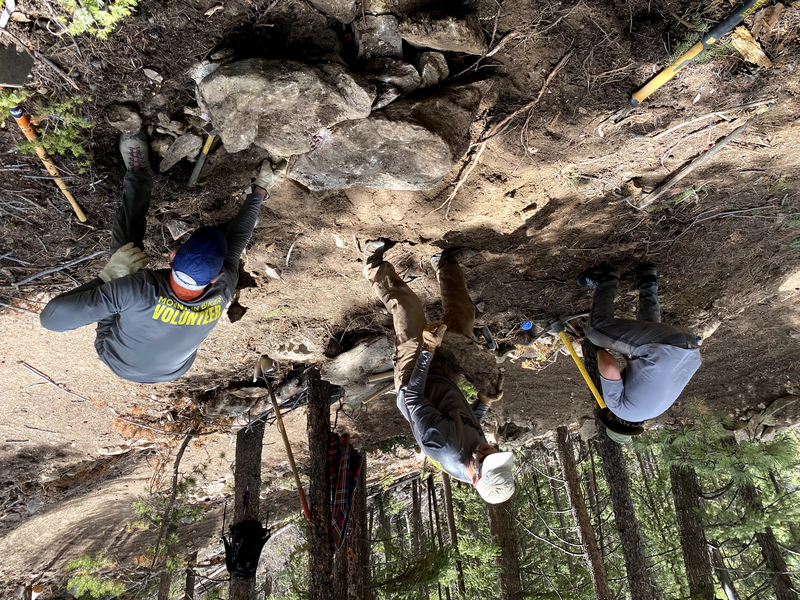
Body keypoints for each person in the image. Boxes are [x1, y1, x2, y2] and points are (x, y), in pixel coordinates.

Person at [40, 129, 283, 383]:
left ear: (172, 255)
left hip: (115, 357)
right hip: (172, 369)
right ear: (214, 278)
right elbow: (238, 239)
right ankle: (220, 235)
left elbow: (51, 319)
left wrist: (107, 277)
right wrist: (260, 192)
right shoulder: (221, 285)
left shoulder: (140, 289)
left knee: (124, 252)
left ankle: (138, 175)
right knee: (226, 245)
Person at [362, 239, 514, 504]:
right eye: (495, 453)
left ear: (476, 475)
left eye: (488, 457)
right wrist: (483, 403)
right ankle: (445, 263)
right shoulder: (480, 453)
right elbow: (468, 424)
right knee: (463, 316)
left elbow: (413, 397)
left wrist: (427, 352)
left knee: (409, 309)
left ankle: (373, 265)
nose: (490, 449)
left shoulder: (443, 446)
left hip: (413, 379)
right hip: (444, 379)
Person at [578, 262, 702, 443]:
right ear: (612, 419)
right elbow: (609, 366)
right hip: (662, 346)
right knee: (596, 332)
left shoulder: (655, 411)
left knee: (649, 335)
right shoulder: (618, 409)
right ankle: (606, 280)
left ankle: (648, 281)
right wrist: (596, 348)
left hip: (689, 348)